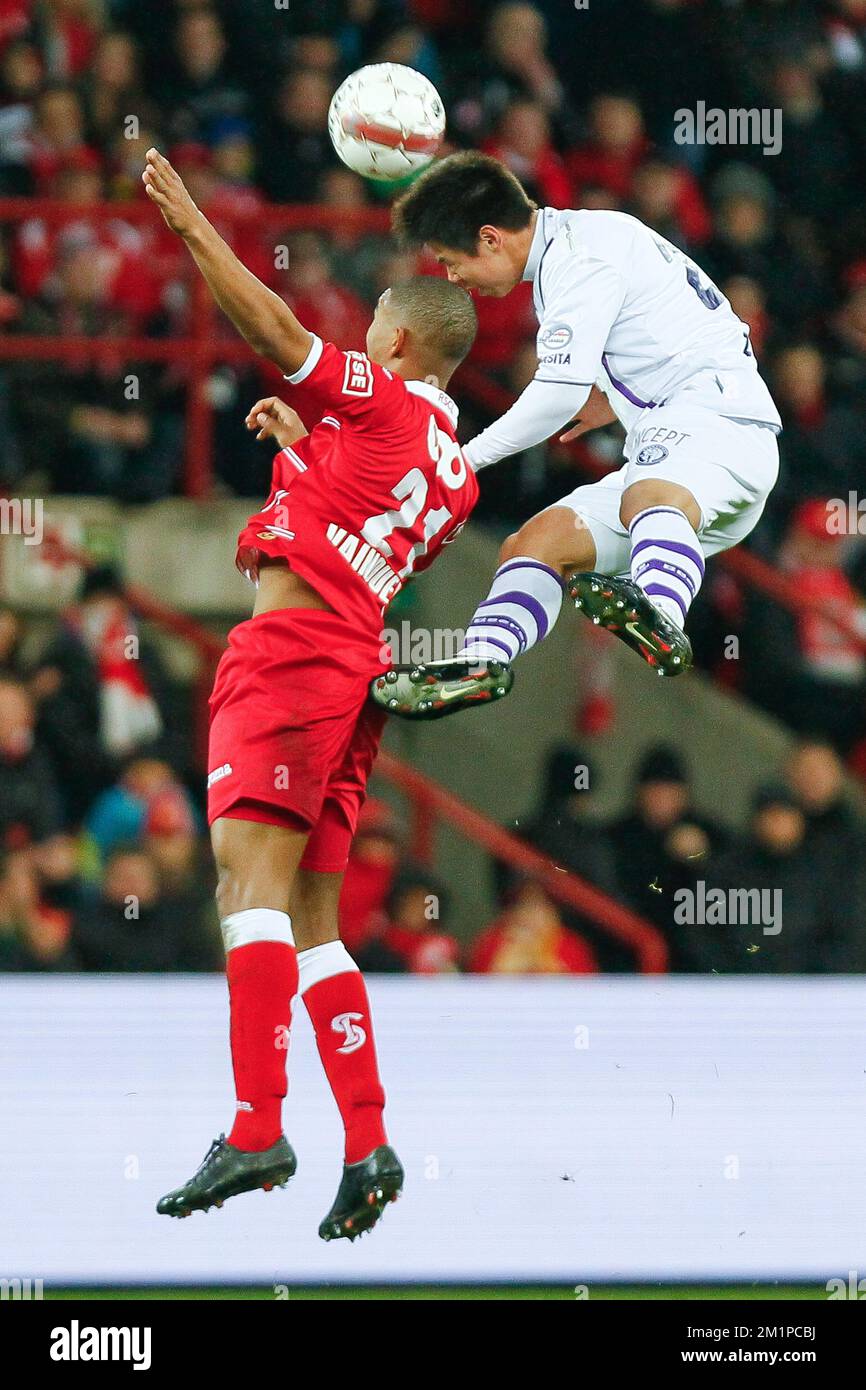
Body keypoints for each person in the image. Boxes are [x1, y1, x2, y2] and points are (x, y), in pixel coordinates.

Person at [141, 148, 479, 1240]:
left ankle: (255, 1126)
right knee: (311, 916)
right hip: (353, 672)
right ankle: (368, 1136)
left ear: (397, 341)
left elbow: (279, 339)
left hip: (292, 658)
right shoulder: (455, 471)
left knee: (244, 885)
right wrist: (304, 451)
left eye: (373, 318)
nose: (360, 331)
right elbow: (361, 521)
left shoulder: (378, 400)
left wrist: (196, 230)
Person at [371, 151, 781, 719]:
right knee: (535, 543)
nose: (451, 277)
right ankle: (480, 660)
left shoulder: (580, 255)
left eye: (449, 259)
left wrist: (459, 458)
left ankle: (659, 610)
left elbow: (556, 395)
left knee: (647, 496)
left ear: (490, 239)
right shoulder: (584, 244)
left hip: (718, 431)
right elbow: (692, 326)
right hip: (690, 456)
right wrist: (615, 397)